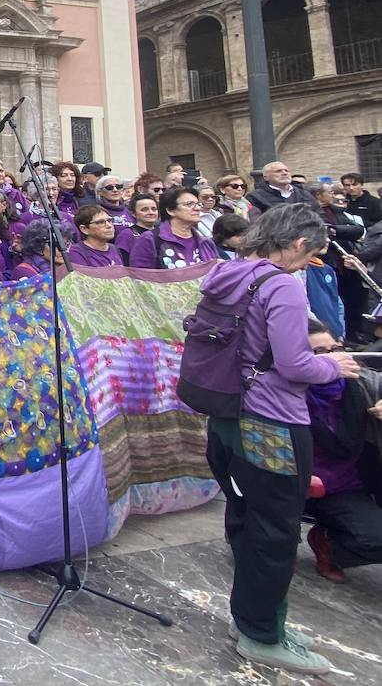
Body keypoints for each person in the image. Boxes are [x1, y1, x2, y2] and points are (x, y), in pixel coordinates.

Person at [200, 204, 360, 675]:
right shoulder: (283, 287)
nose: (308, 261)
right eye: (310, 253)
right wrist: (334, 364)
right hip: (271, 421)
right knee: (275, 530)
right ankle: (261, 634)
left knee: (249, 520)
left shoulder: (224, 274)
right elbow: (295, 365)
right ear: (295, 245)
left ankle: (255, 617)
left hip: (228, 414)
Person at [302, 330, 382, 584]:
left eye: (337, 348)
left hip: (347, 486)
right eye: (320, 353)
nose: (335, 357)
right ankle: (318, 543)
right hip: (295, 483)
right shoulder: (283, 392)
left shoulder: (359, 384)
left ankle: (329, 542)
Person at [127, 187, 221, 269]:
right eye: (189, 204)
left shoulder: (206, 242)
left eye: (198, 204)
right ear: (170, 210)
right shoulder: (150, 240)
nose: (197, 209)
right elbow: (141, 279)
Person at [247, 161, 311, 216]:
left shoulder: (304, 194)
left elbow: (318, 215)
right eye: (278, 171)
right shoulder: (255, 197)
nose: (284, 173)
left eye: (286, 171)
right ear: (266, 177)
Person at [115, 193, 160, 262]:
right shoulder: (127, 235)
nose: (151, 212)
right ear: (133, 213)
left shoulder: (162, 232)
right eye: (144, 210)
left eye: (154, 209)